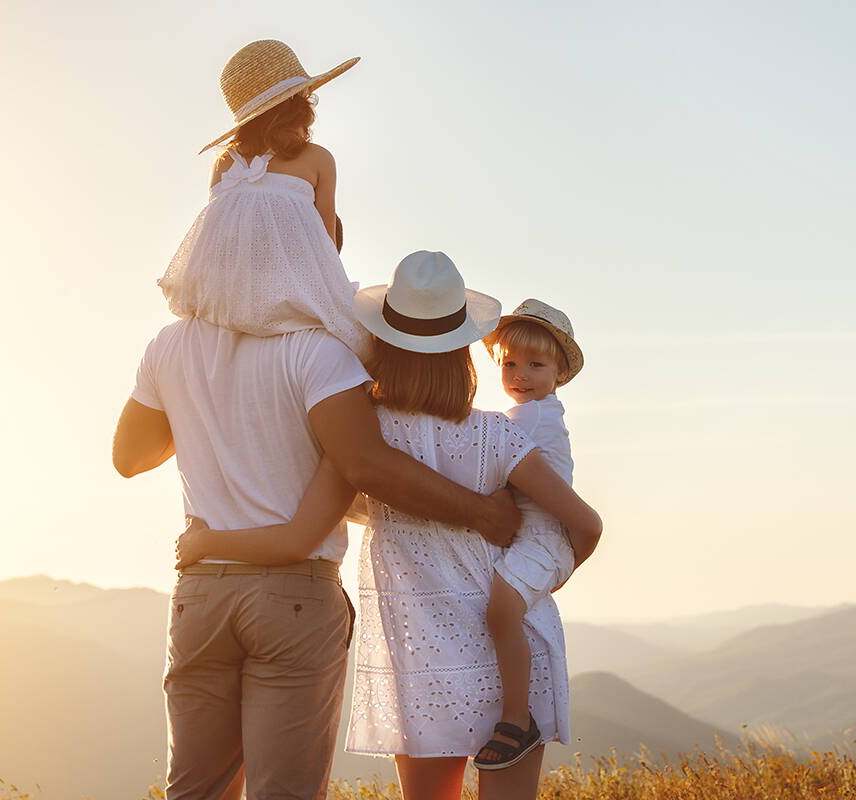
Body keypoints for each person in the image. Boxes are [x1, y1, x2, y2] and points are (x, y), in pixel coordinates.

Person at [112, 44, 522, 800]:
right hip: (290, 596)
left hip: (199, 591)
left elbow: (130, 457)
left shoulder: (170, 347)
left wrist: (203, 403)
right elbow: (366, 467)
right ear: (313, 235)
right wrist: (486, 514)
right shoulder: (318, 354)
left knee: (194, 791)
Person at [175, 251, 603, 800]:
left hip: (423, 658)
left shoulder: (363, 441)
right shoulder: (503, 437)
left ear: (381, 344)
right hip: (512, 645)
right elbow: (584, 524)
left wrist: (206, 539)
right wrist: (546, 578)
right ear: (466, 352)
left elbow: (315, 522)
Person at [157, 38, 372, 362]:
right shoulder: (318, 159)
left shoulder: (224, 164)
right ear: (300, 101)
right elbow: (324, 247)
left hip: (227, 298)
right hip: (295, 292)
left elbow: (227, 240)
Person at [472, 299, 587, 771]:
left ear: (559, 372)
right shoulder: (538, 412)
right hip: (536, 535)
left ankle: (517, 718)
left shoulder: (524, 420)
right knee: (503, 612)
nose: (519, 374)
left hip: (542, 536)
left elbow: (486, 457)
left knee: (501, 612)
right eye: (509, 363)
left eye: (535, 365)